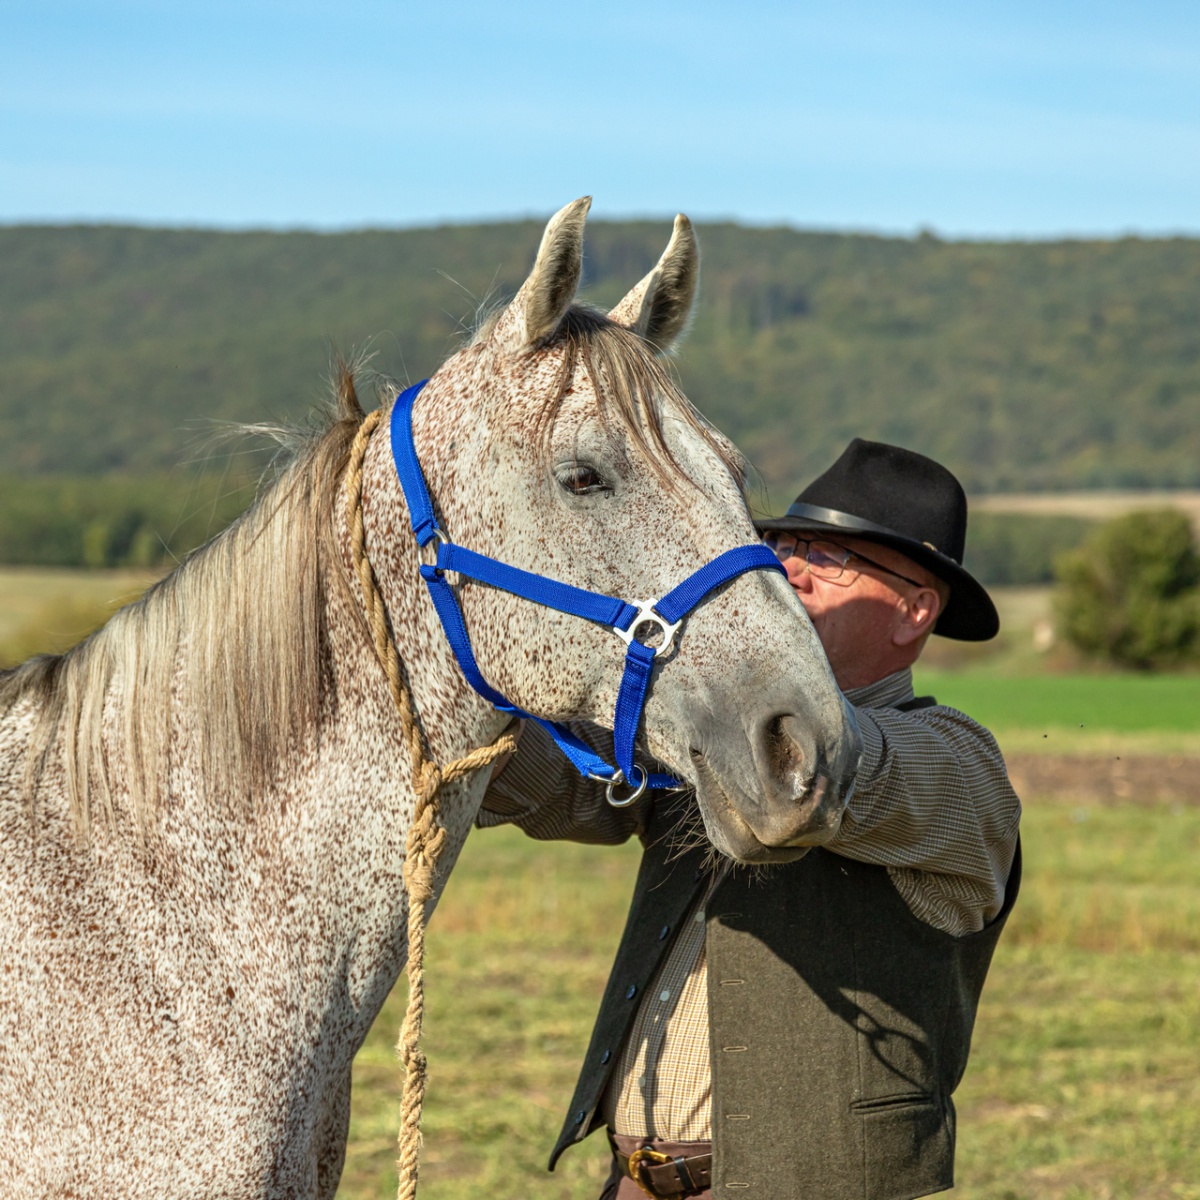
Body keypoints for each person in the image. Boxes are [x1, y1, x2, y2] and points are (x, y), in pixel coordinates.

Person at [480, 438, 1022, 1200]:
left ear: (914, 612)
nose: (785, 568)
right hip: (633, 1181)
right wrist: (470, 715)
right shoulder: (726, 738)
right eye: (785, 544)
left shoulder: (959, 767)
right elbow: (564, 787)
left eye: (831, 558)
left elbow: (813, 787)